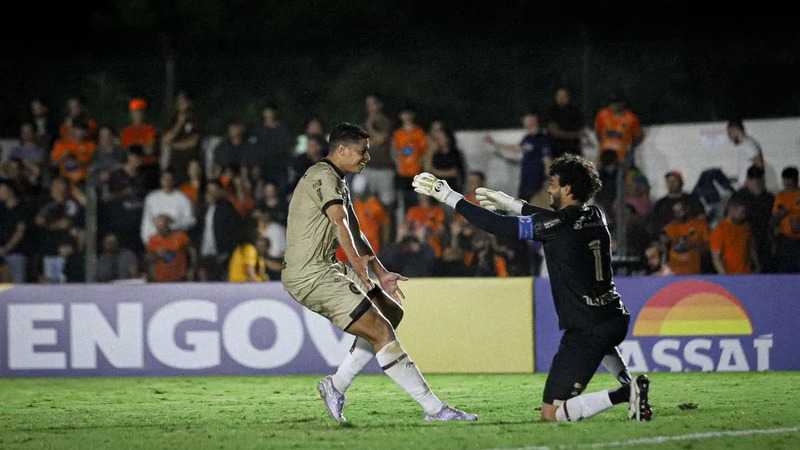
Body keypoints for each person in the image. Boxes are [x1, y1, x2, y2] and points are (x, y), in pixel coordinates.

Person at [412, 154, 652, 422]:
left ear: (567, 189)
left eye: (553, 184)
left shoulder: (557, 226)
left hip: (587, 327)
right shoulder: (596, 215)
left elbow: (498, 226)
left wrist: (448, 196)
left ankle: (627, 392)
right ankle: (630, 386)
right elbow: (556, 219)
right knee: (601, 342)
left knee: (551, 414)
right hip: (614, 317)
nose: (548, 190)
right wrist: (515, 205)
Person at [282, 123, 475, 423]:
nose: (367, 157)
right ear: (341, 150)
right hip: (311, 274)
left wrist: (381, 272)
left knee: (391, 313)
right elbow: (338, 222)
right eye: (362, 151)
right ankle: (435, 409)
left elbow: (355, 230)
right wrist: (357, 263)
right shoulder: (322, 176)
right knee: (380, 331)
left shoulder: (338, 179)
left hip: (328, 266)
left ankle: (335, 386)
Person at [485, 111, 552, 205]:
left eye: (528, 121)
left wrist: (548, 177)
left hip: (536, 177)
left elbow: (547, 159)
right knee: (522, 202)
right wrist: (494, 143)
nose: (525, 124)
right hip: (526, 176)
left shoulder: (542, 138)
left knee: (535, 202)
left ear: (534, 121)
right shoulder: (527, 138)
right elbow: (516, 148)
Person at [731, 166, 774, 271]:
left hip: (765, 243)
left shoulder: (769, 198)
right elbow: (730, 221)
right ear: (748, 181)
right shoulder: (739, 197)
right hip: (744, 243)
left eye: (759, 182)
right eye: (754, 181)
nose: (757, 184)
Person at [196, 181, 241, 281]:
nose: (211, 193)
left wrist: (227, 252)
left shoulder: (227, 208)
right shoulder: (203, 209)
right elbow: (197, 232)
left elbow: (235, 233)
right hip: (204, 255)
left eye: (214, 190)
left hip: (221, 256)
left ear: (220, 191)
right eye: (209, 191)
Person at [140, 170, 196, 244]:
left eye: (170, 179)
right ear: (160, 180)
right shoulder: (151, 197)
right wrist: (146, 240)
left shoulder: (183, 198)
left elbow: (191, 221)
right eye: (164, 179)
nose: (167, 181)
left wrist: (172, 223)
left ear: (174, 181)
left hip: (176, 241)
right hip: (155, 241)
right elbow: (146, 222)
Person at [648, 171, 705, 239]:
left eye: (674, 181)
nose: (671, 184)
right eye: (668, 182)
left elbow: (701, 217)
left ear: (681, 182)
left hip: (691, 236)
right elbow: (654, 224)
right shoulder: (660, 203)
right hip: (668, 238)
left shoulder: (691, 199)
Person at [362, 94, 395, 207]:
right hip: (368, 167)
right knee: (367, 201)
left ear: (379, 105)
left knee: (386, 203)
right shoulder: (364, 123)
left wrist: (370, 127)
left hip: (384, 169)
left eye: (373, 104)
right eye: (368, 105)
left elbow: (381, 140)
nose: (370, 107)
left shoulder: (385, 122)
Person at [710, 197, 759, 274]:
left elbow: (751, 248)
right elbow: (716, 258)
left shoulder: (746, 227)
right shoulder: (720, 229)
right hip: (730, 275)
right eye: (742, 212)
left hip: (748, 274)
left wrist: (757, 265)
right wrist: (725, 277)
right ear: (732, 210)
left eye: (745, 213)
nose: (744, 215)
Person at [391, 106, 428, 210]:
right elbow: (394, 151)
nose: (406, 116)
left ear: (413, 115)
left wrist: (421, 166)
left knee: (417, 200)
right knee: (404, 201)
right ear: (400, 116)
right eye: (404, 114)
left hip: (416, 171)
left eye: (409, 114)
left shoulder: (419, 132)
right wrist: (397, 165)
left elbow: (424, 151)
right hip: (402, 172)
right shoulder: (398, 133)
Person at [661, 200, 710, 275]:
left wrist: (693, 246)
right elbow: (664, 250)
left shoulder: (701, 224)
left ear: (687, 209)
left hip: (697, 270)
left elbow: (709, 247)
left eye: (682, 210)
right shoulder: (668, 228)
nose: (680, 213)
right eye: (676, 211)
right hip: (674, 272)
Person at [161, 92, 200, 184]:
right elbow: (166, 139)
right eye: (179, 101)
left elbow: (193, 142)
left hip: (191, 158)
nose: (181, 103)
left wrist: (173, 145)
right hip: (174, 159)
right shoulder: (172, 119)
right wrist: (179, 123)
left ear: (189, 102)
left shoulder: (194, 118)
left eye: (184, 101)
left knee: (194, 168)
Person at [594, 92, 643, 163]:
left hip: (624, 156)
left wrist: (630, 147)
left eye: (617, 102)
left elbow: (638, 136)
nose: (615, 105)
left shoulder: (631, 118)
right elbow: (598, 132)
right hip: (605, 154)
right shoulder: (602, 115)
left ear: (623, 103)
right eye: (613, 102)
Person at [146, 214, 196, 282]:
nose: (161, 229)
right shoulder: (152, 239)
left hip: (180, 277)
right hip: (160, 279)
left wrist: (192, 269)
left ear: (168, 224)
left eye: (163, 225)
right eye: (158, 226)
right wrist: (156, 255)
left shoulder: (180, 235)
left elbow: (192, 251)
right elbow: (149, 259)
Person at [772, 166, 800, 273]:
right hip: (785, 240)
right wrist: (783, 213)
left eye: (789, 181)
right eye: (785, 181)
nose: (787, 184)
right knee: (785, 270)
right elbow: (773, 220)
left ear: (796, 180)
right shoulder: (780, 196)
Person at [0, 181, 29, 282]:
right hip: (1, 253)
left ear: (10, 191)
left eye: (2, 190)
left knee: (18, 284)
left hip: (16, 253)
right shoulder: (1, 208)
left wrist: (6, 248)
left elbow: (20, 231)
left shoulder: (22, 208)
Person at [545, 87, 585, 157]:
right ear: (555, 97)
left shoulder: (576, 111)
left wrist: (563, 134)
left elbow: (580, 131)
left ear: (568, 97)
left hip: (574, 149)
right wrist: (572, 135)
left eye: (563, 96)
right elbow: (554, 132)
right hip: (556, 149)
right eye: (559, 96)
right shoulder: (551, 111)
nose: (561, 98)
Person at [726, 119, 764, 188]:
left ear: (736, 130)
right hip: (745, 186)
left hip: (748, 187)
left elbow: (759, 165)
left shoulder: (748, 144)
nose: (729, 136)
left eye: (729, 133)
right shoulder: (743, 144)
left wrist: (748, 182)